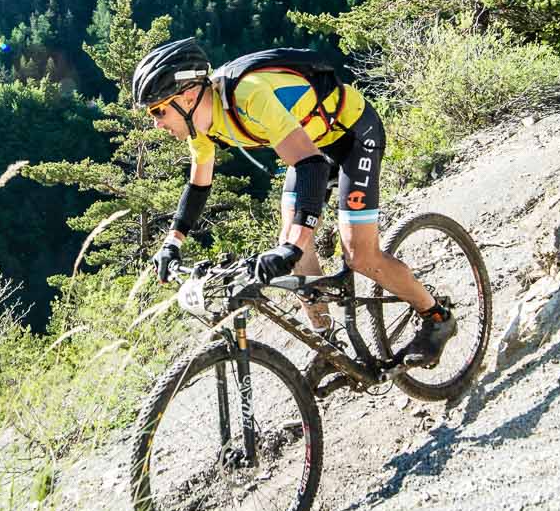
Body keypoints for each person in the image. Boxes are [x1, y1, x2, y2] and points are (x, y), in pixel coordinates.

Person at [131, 38, 456, 372]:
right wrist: (172, 243)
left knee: (360, 255)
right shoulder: (199, 126)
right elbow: (199, 184)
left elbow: (312, 165)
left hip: (352, 136)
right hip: (307, 148)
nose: (156, 122)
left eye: (159, 110)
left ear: (188, 97)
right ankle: (328, 344)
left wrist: (295, 245)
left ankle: (436, 317)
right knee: (292, 244)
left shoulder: (249, 95)